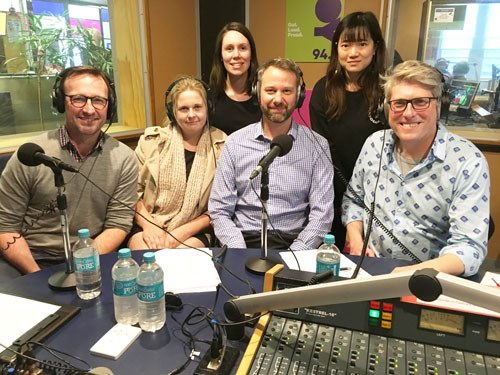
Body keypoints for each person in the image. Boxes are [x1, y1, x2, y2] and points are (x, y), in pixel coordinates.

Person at [342, 60, 490, 277]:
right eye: (399, 103)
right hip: (371, 272)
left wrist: (405, 274)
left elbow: (469, 248)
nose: (409, 113)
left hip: (432, 279)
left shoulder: (468, 161)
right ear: (387, 108)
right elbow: (353, 200)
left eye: (420, 102)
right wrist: (356, 240)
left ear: (439, 105)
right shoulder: (374, 145)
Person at [0, 65, 138, 282]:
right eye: (78, 99)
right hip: (28, 258)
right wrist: (36, 278)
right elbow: (6, 228)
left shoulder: (124, 158)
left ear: (109, 107)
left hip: (91, 255)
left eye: (98, 100)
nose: (89, 109)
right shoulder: (31, 154)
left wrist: (81, 267)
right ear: (60, 102)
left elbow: (117, 225)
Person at [209, 58, 334, 250]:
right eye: (270, 90)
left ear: (299, 95)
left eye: (286, 91)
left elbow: (322, 216)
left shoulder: (317, 146)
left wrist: (295, 256)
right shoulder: (235, 143)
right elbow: (219, 211)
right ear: (257, 92)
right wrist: (238, 253)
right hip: (243, 241)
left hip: (293, 243)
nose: (278, 99)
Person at [309, 11, 387, 250]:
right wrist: (347, 193)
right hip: (335, 187)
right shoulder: (323, 90)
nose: (353, 53)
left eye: (362, 44)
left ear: (375, 48)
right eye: (346, 45)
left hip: (379, 189)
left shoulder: (387, 90)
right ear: (337, 49)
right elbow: (325, 148)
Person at [128, 77, 226, 250]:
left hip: (195, 228)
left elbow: (222, 206)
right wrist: (150, 226)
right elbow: (130, 195)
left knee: (181, 260)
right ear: (173, 112)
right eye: (183, 109)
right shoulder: (150, 142)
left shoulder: (223, 146)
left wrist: (182, 232)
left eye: (197, 107)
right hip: (148, 221)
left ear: (208, 108)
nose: (191, 115)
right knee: (147, 259)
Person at [209, 22, 261, 135]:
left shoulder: (263, 97)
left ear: (251, 54)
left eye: (243, 48)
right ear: (221, 56)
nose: (236, 55)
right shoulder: (208, 98)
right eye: (229, 48)